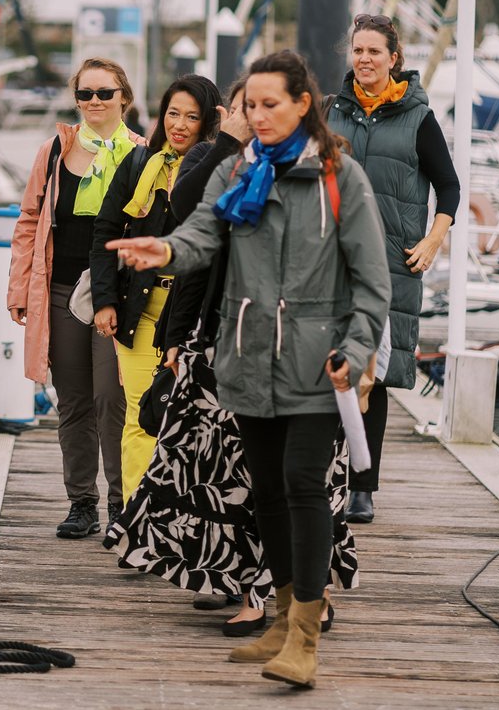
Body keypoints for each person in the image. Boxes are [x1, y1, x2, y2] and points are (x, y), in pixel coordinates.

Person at [109, 50, 390, 688]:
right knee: (263, 489)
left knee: (301, 482)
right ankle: (282, 612)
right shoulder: (236, 171)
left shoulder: (341, 177)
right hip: (245, 355)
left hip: (319, 363)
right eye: (250, 105)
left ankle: (304, 640)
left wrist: (359, 346)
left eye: (271, 104)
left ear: (302, 105)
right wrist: (166, 251)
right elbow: (202, 235)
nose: (258, 116)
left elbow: (373, 282)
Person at [327, 13, 460, 524]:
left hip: (388, 263)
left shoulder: (417, 118)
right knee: (325, 367)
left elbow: (448, 186)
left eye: (374, 52)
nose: (364, 59)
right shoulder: (329, 112)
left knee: (372, 373)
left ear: (394, 58)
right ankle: (327, 477)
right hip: (330, 262)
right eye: (357, 50)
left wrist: (432, 241)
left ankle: (363, 486)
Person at [8, 57, 145, 538]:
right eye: (84, 94)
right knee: (74, 402)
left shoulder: (144, 154)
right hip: (63, 290)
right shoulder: (54, 151)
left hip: (118, 296)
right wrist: (20, 287)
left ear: (123, 98)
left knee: (115, 399)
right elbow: (29, 221)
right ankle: (82, 504)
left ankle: (122, 504)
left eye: (104, 94)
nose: (93, 103)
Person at [90, 75, 221, 503]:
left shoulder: (217, 172)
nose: (179, 125)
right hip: (138, 310)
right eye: (172, 113)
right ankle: (133, 516)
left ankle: (175, 515)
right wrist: (105, 301)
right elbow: (105, 232)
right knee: (140, 416)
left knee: (184, 420)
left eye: (191, 116)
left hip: (191, 314)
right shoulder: (138, 163)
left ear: (208, 123)